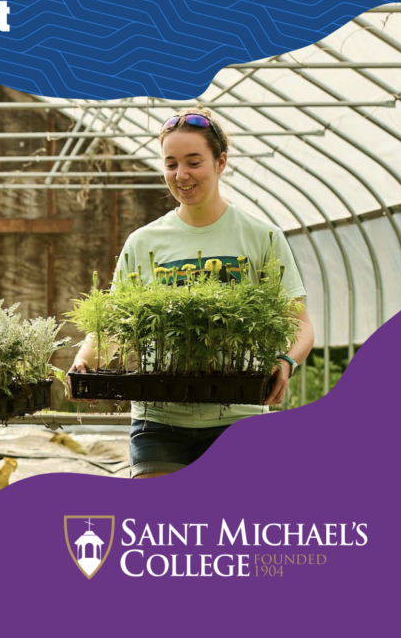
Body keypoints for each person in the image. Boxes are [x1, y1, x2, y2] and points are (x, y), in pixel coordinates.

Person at [70, 110, 315, 478]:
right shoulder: (144, 242)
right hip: (159, 421)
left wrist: (285, 361)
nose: (181, 175)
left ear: (221, 162)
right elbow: (117, 326)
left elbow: (300, 325)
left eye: (193, 162)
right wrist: (85, 361)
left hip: (240, 415)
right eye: (171, 164)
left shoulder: (261, 236)